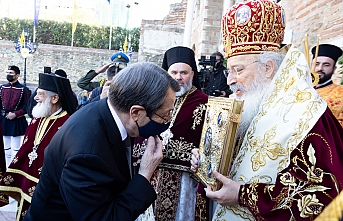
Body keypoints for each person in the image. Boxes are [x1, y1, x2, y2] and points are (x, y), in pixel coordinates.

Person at [190, 0, 343, 220]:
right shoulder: (249, 102)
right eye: (228, 71)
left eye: (238, 70)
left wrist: (243, 195)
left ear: (268, 68)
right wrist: (205, 161)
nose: (231, 80)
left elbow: (324, 194)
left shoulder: (307, 115)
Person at [24, 62, 180, 221]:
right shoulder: (86, 156)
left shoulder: (105, 111)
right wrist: (145, 174)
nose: (167, 121)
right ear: (136, 112)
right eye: (164, 115)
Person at [133, 46, 208, 221]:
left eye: (184, 73)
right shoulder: (152, 98)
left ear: (192, 74)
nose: (178, 78)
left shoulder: (205, 103)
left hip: (183, 181)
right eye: (173, 72)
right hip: (150, 173)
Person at [0, 73, 77, 220]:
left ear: (55, 98)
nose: (35, 98)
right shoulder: (38, 117)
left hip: (49, 190)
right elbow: (26, 147)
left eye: (40, 94)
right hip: (27, 180)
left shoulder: (69, 124)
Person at [0, 65, 31, 168]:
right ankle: (7, 169)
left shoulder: (24, 89)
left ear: (17, 75)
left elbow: (27, 106)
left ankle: (14, 170)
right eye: (8, 72)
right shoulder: (2, 87)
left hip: (17, 121)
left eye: (11, 73)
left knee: (16, 148)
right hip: (4, 120)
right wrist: (4, 114)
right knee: (6, 147)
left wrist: (16, 114)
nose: (9, 75)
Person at [311, 44, 343, 126]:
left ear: (334, 68)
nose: (320, 68)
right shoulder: (299, 89)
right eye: (316, 64)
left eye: (326, 65)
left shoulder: (341, 92)